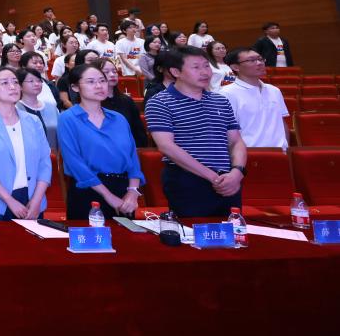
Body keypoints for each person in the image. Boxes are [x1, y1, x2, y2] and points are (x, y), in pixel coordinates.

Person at [145, 46, 246, 217]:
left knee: (232, 230)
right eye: (196, 67)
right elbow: (166, 146)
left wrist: (237, 172)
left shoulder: (221, 100)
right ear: (176, 72)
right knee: (194, 231)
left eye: (206, 66)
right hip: (187, 180)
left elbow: (236, 141)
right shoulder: (160, 102)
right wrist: (212, 177)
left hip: (227, 180)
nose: (205, 72)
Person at [57, 63, 144, 220]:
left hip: (123, 192)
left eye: (102, 81)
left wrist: (132, 192)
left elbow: (132, 157)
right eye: (91, 82)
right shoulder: (68, 118)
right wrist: (108, 196)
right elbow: (75, 163)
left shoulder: (118, 118)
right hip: (88, 190)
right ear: (75, 87)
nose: (99, 86)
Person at [0, 66, 52, 221]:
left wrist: (37, 199)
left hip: (32, 197)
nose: (13, 87)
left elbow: (45, 162)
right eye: (5, 83)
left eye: (15, 82)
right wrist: (9, 200)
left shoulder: (33, 121)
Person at [221, 47, 290, 150]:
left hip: (281, 152)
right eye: (252, 60)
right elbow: (225, 131)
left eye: (260, 59)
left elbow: (282, 123)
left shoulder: (274, 90)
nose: (259, 63)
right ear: (235, 67)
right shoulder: (226, 94)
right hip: (249, 153)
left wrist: (286, 148)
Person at [99, 59, 149, 147]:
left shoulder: (127, 101)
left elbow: (138, 130)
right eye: (106, 72)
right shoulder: (94, 102)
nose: (112, 75)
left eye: (114, 71)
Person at [17, 67, 59, 150]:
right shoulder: (15, 109)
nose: (37, 84)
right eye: (31, 81)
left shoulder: (51, 106)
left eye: (39, 80)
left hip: (54, 154)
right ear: (19, 85)